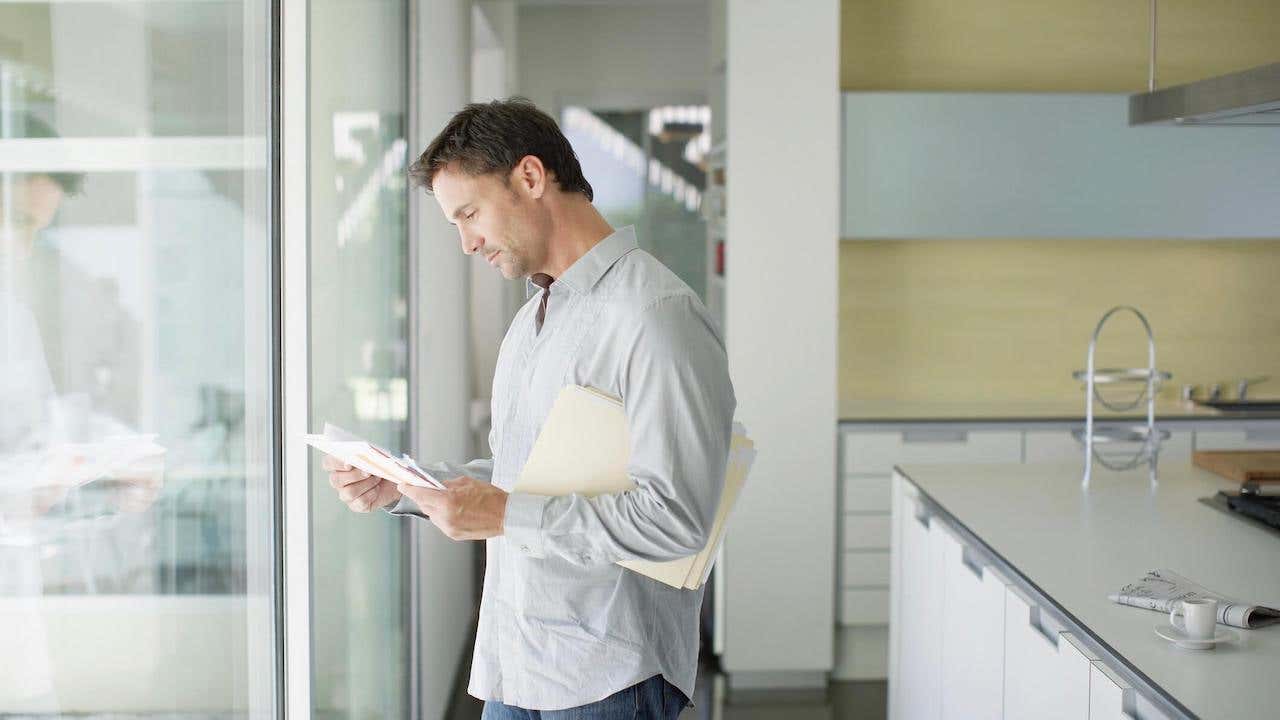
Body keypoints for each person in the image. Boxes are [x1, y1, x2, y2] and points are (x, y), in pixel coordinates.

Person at [325, 97, 735, 719]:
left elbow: (678, 521)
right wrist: (406, 485)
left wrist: (508, 514)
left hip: (608, 678)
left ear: (531, 177)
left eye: (469, 213)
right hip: (516, 665)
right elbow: (525, 480)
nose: (465, 243)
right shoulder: (531, 321)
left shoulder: (655, 317)